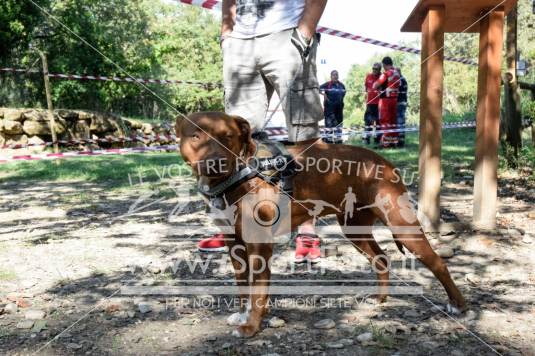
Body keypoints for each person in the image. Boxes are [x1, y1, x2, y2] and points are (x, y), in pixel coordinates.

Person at [198, 0, 328, 264]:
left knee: (305, 138)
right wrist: (227, 34)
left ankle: (306, 230)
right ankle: (235, 223)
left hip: (288, 32)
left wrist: (305, 30)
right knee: (235, 142)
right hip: (240, 42)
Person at [373, 56, 400, 148]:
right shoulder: (397, 73)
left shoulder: (386, 73)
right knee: (393, 122)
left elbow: (375, 85)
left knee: (385, 121)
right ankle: (393, 142)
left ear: (384, 64)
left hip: (385, 101)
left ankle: (385, 144)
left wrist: (378, 86)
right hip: (394, 99)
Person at [320, 70, 346, 143]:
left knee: (339, 124)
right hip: (329, 109)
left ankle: (338, 140)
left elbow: (344, 93)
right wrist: (324, 95)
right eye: (334, 75)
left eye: (336, 75)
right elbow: (318, 89)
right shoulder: (327, 84)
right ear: (331, 76)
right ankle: (328, 141)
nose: (335, 76)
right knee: (329, 125)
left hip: (339, 109)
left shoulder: (341, 85)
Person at [363, 63, 382, 145]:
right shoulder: (368, 76)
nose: (374, 70)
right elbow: (366, 88)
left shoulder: (382, 77)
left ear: (379, 70)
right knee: (368, 121)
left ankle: (377, 140)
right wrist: (365, 99)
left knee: (378, 122)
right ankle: (366, 139)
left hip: (379, 104)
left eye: (376, 69)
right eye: (373, 68)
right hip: (370, 103)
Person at [397, 69, 408, 148]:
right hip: (403, 102)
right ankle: (401, 140)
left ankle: (400, 142)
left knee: (399, 121)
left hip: (400, 102)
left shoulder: (399, 80)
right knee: (401, 121)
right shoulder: (404, 79)